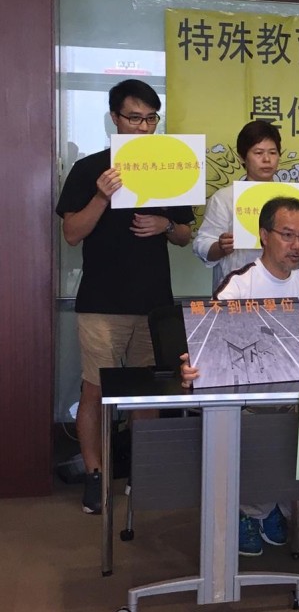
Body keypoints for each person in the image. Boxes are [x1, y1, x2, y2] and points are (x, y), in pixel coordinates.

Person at [56, 79, 194, 515]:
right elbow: (72, 234)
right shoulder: (90, 169)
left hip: (153, 303)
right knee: (95, 390)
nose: (143, 127)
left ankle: (143, 473)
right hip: (101, 301)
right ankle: (96, 475)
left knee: (146, 394)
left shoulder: (169, 168)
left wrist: (166, 227)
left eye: (151, 119)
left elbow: (186, 233)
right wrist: (102, 194)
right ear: (114, 118)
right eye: (134, 118)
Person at [182, 196, 299, 556]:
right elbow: (210, 347)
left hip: (296, 394)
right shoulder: (238, 285)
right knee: (251, 427)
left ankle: (268, 503)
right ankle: (253, 509)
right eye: (287, 235)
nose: (297, 246)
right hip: (247, 396)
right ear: (264, 235)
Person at [192, 120, 284, 291]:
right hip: (236, 291)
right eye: (258, 152)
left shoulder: (292, 199)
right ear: (242, 157)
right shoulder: (225, 197)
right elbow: (202, 244)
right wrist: (220, 247)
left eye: (272, 152)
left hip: (284, 291)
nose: (266, 159)